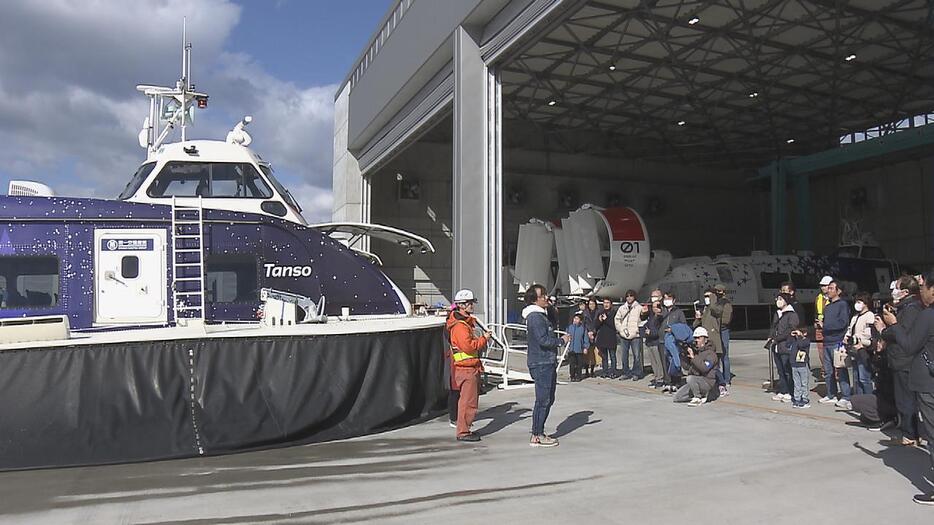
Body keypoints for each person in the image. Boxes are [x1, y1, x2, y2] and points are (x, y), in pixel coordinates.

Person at [877, 268, 934, 506]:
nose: (921, 292)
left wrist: (892, 325)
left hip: (928, 382)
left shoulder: (927, 314)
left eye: (923, 287)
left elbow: (910, 345)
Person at [523, 283, 570, 447]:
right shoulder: (535, 317)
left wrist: (550, 308)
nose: (546, 298)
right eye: (542, 296)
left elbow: (553, 321)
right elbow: (543, 340)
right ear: (534, 300)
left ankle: (538, 431)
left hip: (547, 361)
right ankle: (537, 434)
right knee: (543, 400)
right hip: (541, 362)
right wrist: (560, 341)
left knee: (548, 399)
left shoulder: (541, 314)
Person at [446, 289, 491, 442]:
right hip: (466, 369)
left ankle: (464, 429)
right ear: (462, 305)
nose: (473, 306)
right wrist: (484, 339)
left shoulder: (463, 323)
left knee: (468, 401)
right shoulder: (460, 326)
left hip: (468, 367)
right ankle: (463, 432)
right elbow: (469, 347)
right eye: (470, 303)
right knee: (468, 402)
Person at [883, 275, 923, 446]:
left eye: (897, 287)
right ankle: (914, 432)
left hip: (904, 360)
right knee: (908, 399)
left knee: (905, 399)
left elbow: (902, 333)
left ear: (906, 292)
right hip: (901, 359)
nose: (893, 291)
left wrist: (889, 326)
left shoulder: (911, 308)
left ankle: (910, 434)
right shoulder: (905, 307)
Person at [818, 280, 852, 409]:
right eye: (828, 288)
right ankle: (831, 393)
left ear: (839, 291)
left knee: (840, 369)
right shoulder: (827, 306)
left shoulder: (842, 305)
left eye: (832, 288)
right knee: (828, 371)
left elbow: (843, 323)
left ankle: (846, 396)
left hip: (837, 341)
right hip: (827, 341)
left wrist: (825, 325)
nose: (828, 290)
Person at [673, 327, 719, 406]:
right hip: (696, 381)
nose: (696, 340)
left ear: (705, 339)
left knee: (690, 378)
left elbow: (704, 368)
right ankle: (700, 395)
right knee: (677, 398)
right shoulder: (697, 351)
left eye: (699, 338)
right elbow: (687, 368)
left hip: (707, 381)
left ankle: (698, 397)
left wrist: (694, 357)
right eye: (695, 338)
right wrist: (683, 356)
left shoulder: (711, 354)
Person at [767, 293, 799, 403]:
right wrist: (770, 337)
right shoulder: (778, 313)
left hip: (786, 345)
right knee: (780, 370)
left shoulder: (791, 314)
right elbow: (773, 326)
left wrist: (778, 338)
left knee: (787, 370)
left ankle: (790, 392)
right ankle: (783, 390)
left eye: (781, 299)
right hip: (777, 346)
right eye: (777, 299)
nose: (778, 301)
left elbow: (790, 329)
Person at [845, 291, 875, 396]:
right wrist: (847, 338)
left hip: (864, 351)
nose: (857, 304)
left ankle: (869, 400)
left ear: (866, 303)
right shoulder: (855, 317)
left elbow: (869, 335)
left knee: (864, 378)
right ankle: (860, 400)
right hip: (854, 350)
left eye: (860, 301)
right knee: (856, 378)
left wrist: (860, 341)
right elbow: (850, 330)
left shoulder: (869, 316)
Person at [660, 291, 687, 390]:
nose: (667, 301)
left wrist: (674, 330)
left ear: (674, 300)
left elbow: (683, 325)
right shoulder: (662, 312)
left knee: (674, 360)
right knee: (665, 361)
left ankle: (677, 381)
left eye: (669, 298)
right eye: (665, 299)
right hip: (662, 339)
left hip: (673, 340)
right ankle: (667, 381)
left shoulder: (679, 312)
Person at [710, 283, 733, 391]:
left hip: (723, 331)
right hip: (715, 331)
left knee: (724, 355)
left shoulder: (726, 303)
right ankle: (717, 377)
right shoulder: (715, 303)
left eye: (718, 291)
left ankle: (726, 379)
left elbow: (726, 320)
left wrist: (718, 321)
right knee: (716, 355)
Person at [615, 290, 643, 380]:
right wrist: (620, 330)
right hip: (624, 335)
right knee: (624, 355)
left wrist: (638, 330)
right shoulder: (622, 308)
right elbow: (617, 320)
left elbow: (643, 320)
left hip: (635, 335)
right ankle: (625, 372)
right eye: (627, 296)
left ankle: (636, 373)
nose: (629, 298)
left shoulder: (639, 308)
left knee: (637, 355)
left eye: (631, 296)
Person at [643, 292, 668, 388]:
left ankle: (660, 378)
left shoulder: (660, 316)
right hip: (649, 341)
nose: (654, 308)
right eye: (653, 307)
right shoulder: (651, 316)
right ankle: (656, 376)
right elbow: (646, 323)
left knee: (658, 361)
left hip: (656, 340)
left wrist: (659, 313)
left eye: (656, 307)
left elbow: (658, 328)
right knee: (653, 361)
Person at [594, 297, 619, 378]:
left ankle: (613, 371)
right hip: (603, 338)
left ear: (611, 304)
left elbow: (614, 325)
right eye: (604, 303)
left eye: (608, 303)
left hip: (611, 337)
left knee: (612, 356)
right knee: (604, 357)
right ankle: (605, 371)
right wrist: (600, 321)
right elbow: (596, 326)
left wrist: (606, 319)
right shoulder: (600, 312)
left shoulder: (614, 313)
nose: (606, 304)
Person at [815, 275, 834, 372]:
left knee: (832, 351)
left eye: (825, 285)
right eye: (822, 286)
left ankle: (834, 373)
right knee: (821, 351)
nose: (823, 288)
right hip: (819, 328)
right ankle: (825, 371)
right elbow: (816, 311)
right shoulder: (819, 297)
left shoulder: (834, 300)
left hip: (829, 328)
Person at [789, 325, 812, 408]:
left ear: (805, 333)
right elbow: (788, 345)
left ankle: (804, 399)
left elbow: (801, 345)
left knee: (804, 383)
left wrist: (800, 337)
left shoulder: (806, 341)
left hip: (802, 365)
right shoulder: (794, 341)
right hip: (794, 365)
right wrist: (791, 336)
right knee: (796, 383)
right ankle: (797, 399)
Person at [566, 313, 589, 382]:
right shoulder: (570, 327)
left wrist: (585, 347)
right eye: (574, 318)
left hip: (579, 349)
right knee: (572, 364)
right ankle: (572, 376)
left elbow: (585, 339)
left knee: (579, 364)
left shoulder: (583, 329)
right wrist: (566, 346)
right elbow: (566, 337)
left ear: (580, 321)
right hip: (571, 349)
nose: (575, 320)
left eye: (577, 319)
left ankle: (579, 376)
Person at [581, 298, 600, 378]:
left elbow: (599, 323)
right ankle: (586, 370)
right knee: (586, 353)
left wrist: (593, 332)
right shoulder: (584, 313)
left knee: (593, 354)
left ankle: (592, 371)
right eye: (590, 304)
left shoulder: (598, 312)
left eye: (593, 304)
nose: (591, 306)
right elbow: (583, 325)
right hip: (587, 334)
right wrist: (587, 333)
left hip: (595, 334)